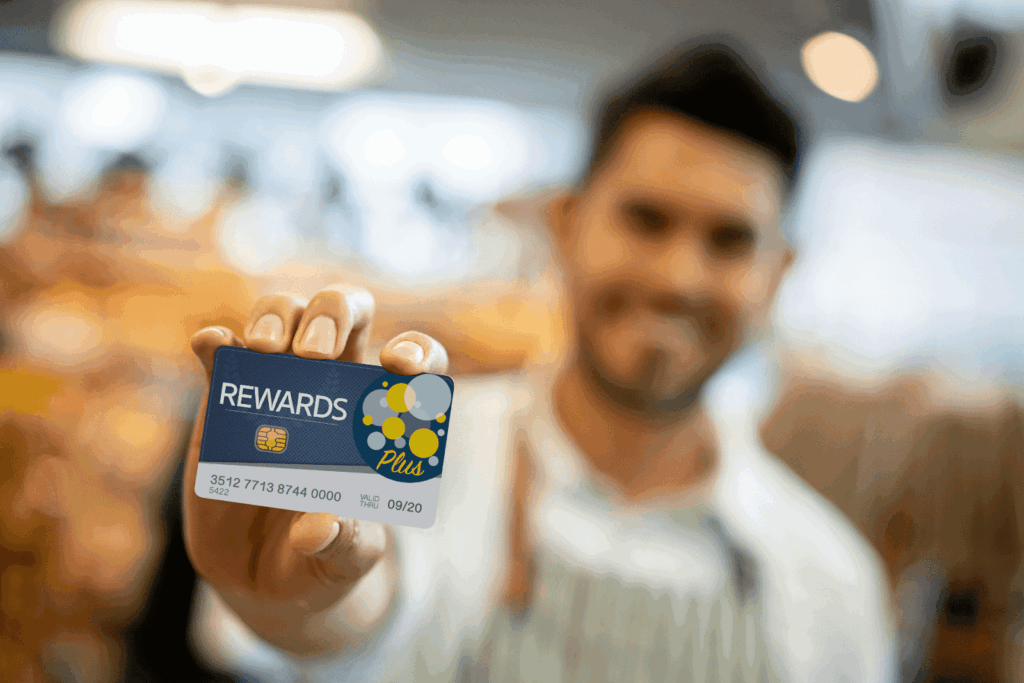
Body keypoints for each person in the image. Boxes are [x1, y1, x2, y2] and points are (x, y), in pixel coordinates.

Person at [183, 38, 896, 682]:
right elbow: (357, 601)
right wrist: (299, 604)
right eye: (646, 219)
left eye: (730, 240)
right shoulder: (411, 441)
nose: (680, 276)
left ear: (779, 273)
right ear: (566, 223)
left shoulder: (832, 584)